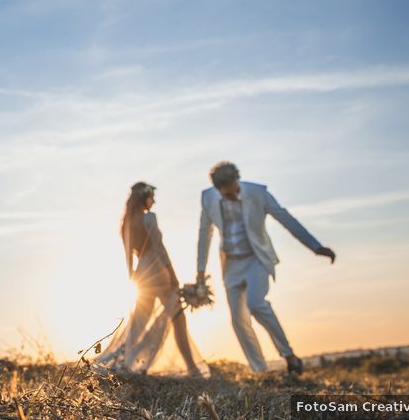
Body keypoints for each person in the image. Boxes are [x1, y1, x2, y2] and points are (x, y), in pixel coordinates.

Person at [197, 161, 336, 375]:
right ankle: (259, 370)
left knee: (255, 304)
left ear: (237, 181)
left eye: (233, 191)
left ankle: (288, 355)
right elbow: (204, 234)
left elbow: (286, 219)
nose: (230, 196)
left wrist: (316, 247)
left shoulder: (258, 193)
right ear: (217, 190)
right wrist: (200, 271)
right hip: (231, 263)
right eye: (225, 194)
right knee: (237, 318)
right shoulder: (208, 198)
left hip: (256, 258)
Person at [96, 182, 210, 378]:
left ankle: (118, 362)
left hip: (142, 274)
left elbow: (127, 256)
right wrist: (172, 273)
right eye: (152, 197)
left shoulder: (126, 223)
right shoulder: (149, 218)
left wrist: (132, 275)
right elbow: (159, 247)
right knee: (178, 319)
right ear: (144, 198)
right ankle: (192, 368)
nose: (154, 201)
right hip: (158, 270)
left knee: (138, 323)